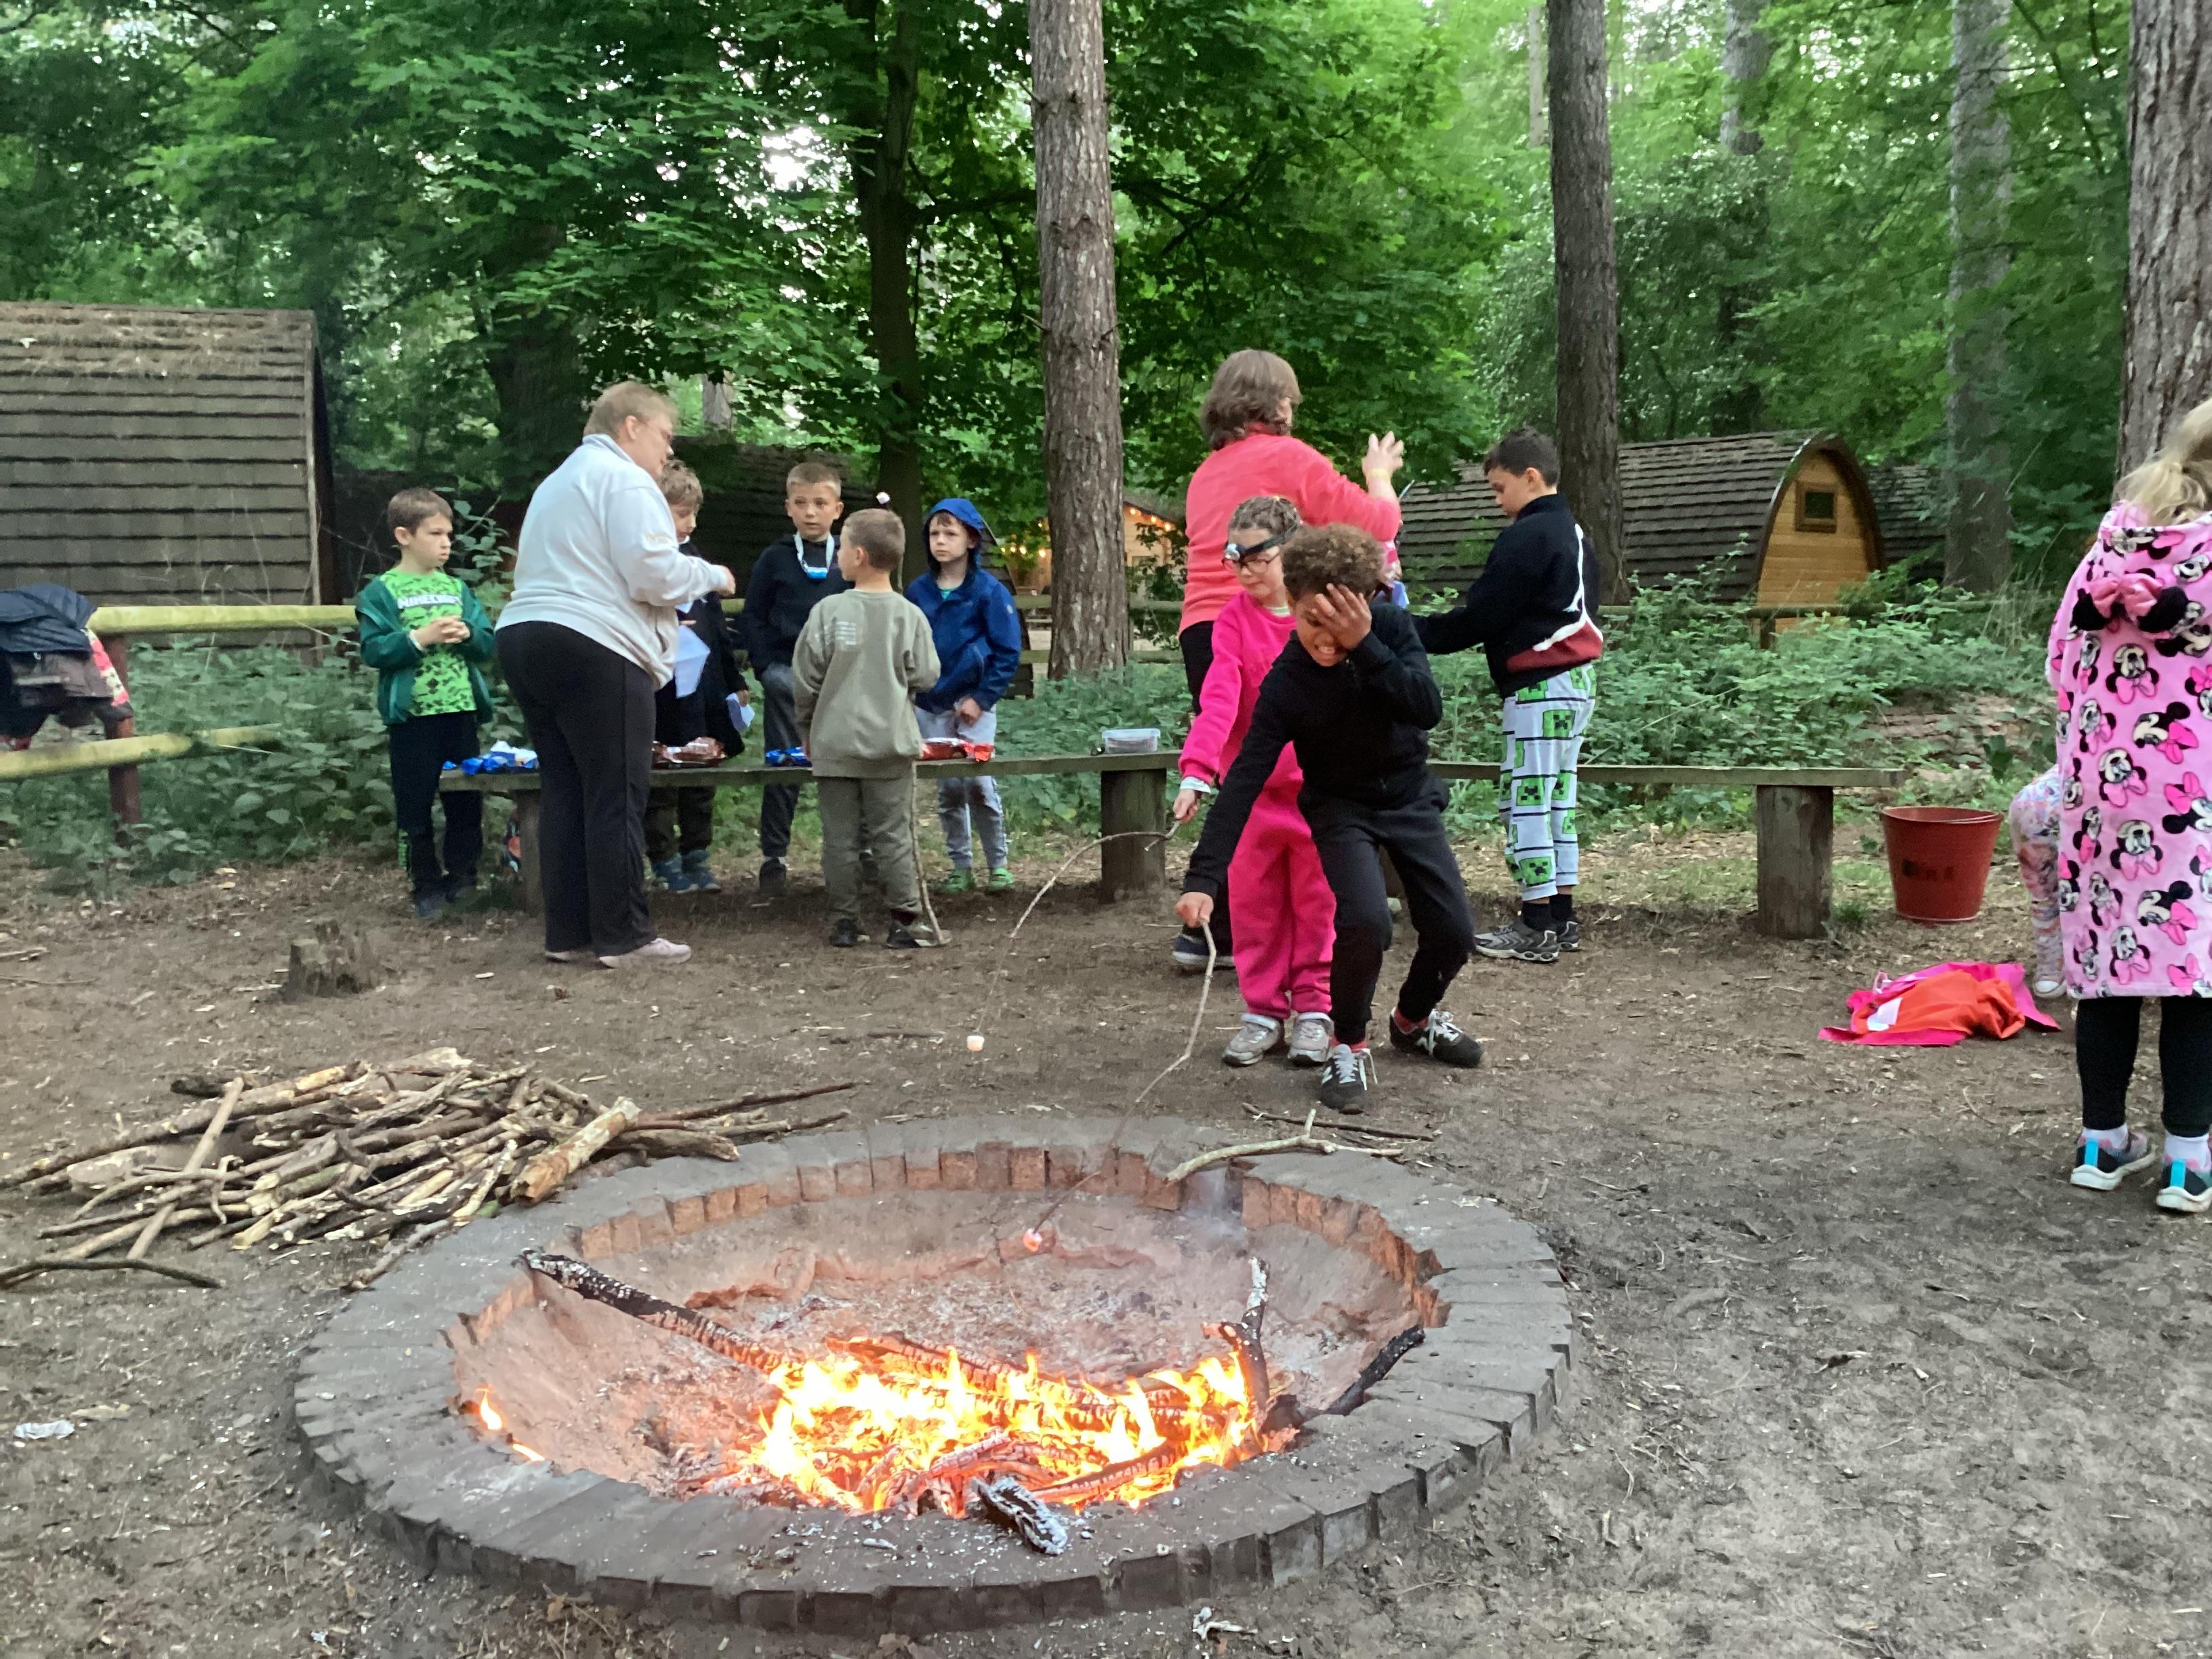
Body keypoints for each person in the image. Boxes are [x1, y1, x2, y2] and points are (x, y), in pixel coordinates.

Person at [1176, 524, 1482, 1113]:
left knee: (1453, 931)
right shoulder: (1288, 682)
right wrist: (1202, 878)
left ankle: (1413, 1020)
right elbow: (1244, 780)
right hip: (1340, 808)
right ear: (1291, 605)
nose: (1324, 638)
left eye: (1339, 622)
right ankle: (1349, 1042)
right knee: (1365, 922)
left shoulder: (1391, 630)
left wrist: (1365, 645)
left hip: (1409, 799)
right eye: (1311, 621)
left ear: (1366, 604)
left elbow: (1426, 707)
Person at [1171, 348, 1406, 975]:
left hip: (1203, 629)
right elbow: (1378, 523)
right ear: (1274, 403)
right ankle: (1319, 915)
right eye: (1290, 400)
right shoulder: (1291, 459)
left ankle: (1213, 926)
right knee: (1301, 767)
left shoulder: (1205, 474)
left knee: (1240, 770)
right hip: (1265, 623)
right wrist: (1379, 473)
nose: (1293, 410)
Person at [495, 382, 737, 969]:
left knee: (565, 789)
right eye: (665, 435)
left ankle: (569, 932)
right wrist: (713, 576)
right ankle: (625, 935)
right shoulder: (626, 479)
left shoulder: (558, 483)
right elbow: (653, 575)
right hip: (595, 644)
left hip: (525, 636)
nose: (667, 451)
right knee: (616, 792)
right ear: (631, 427)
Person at [2052, 394, 2212, 1213]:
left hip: (2099, 791)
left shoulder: (2112, 543)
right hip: (2194, 794)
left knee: (2108, 969)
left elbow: (2060, 656)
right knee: (2194, 974)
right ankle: (2188, 1160)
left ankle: (2101, 1142)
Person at [1416, 428, 1603, 966]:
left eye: (1500, 488)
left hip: (1540, 686)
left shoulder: (1530, 535)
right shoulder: (1576, 532)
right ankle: (1561, 915)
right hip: (1577, 683)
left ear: (1531, 477)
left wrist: (1408, 629)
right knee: (1557, 800)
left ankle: (1535, 923)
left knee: (1525, 801)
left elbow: (1483, 616)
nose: (1498, 501)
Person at [1173, 495, 1336, 1069]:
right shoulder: (1232, 622)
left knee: (1318, 907)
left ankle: (1316, 1009)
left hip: (1319, 793)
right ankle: (1263, 1011)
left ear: (1291, 551)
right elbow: (1217, 702)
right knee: (1254, 909)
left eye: (1257, 558)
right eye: (1235, 559)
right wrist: (1197, 771)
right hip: (1253, 797)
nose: (1245, 571)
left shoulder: (1323, 615)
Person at [792, 508, 942, 949]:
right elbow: (927, 675)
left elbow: (806, 680)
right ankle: (904, 920)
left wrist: (807, 728)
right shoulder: (909, 616)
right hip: (890, 745)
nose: (838, 554)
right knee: (893, 835)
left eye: (841, 547)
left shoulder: (828, 612)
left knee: (840, 839)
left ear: (858, 555)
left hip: (834, 743)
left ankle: (846, 922)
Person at [354, 487, 497, 920]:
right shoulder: (381, 591)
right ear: (404, 536)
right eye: (435, 534)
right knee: (414, 803)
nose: (445, 543)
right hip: (413, 718)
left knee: (466, 801)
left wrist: (468, 635)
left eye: (448, 534)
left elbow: (488, 642)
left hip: (460, 711)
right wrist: (420, 638)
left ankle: (464, 879)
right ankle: (425, 884)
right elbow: (374, 649)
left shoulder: (456, 588)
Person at [742, 460, 849, 896]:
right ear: (788, 507)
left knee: (845, 767)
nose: (810, 512)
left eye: (820, 503)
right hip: (786, 677)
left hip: (840, 681)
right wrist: (766, 667)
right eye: (801, 503)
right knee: (785, 763)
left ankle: (853, 852)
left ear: (837, 509)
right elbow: (753, 615)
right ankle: (774, 856)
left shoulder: (849, 557)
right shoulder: (775, 558)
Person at [907, 497, 1023, 893]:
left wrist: (981, 698)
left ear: (971, 539)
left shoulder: (990, 592)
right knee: (949, 788)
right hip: (930, 704)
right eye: (934, 533)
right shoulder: (917, 592)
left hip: (974, 705)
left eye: (950, 533)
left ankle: (998, 865)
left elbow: (1007, 653)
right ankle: (961, 866)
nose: (941, 541)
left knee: (979, 784)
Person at [646, 462, 746, 894]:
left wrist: (734, 681)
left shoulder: (697, 561)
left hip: (703, 689)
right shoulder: (643, 563)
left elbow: (717, 628)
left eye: (694, 514)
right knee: (661, 776)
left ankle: (697, 855)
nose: (691, 523)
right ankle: (663, 859)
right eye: (682, 513)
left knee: (702, 770)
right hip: (659, 691)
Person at [2008, 766, 2063, 999]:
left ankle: (2052, 967)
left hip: (2032, 804)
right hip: (2060, 807)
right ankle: (2061, 963)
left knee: (2045, 892)